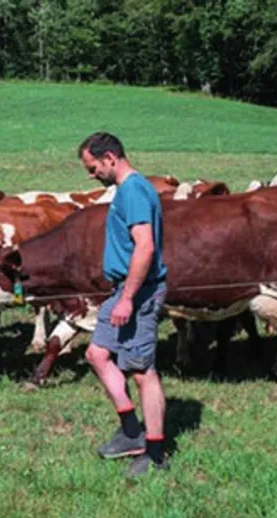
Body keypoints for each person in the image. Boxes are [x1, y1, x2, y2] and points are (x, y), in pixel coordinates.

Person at [77, 133, 169, 477]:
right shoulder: (131, 189)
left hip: (139, 292)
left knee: (143, 372)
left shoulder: (132, 191)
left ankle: (156, 453)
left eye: (93, 167)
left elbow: (144, 247)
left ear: (110, 157)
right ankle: (132, 431)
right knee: (97, 354)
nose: (91, 174)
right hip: (123, 289)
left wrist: (128, 299)